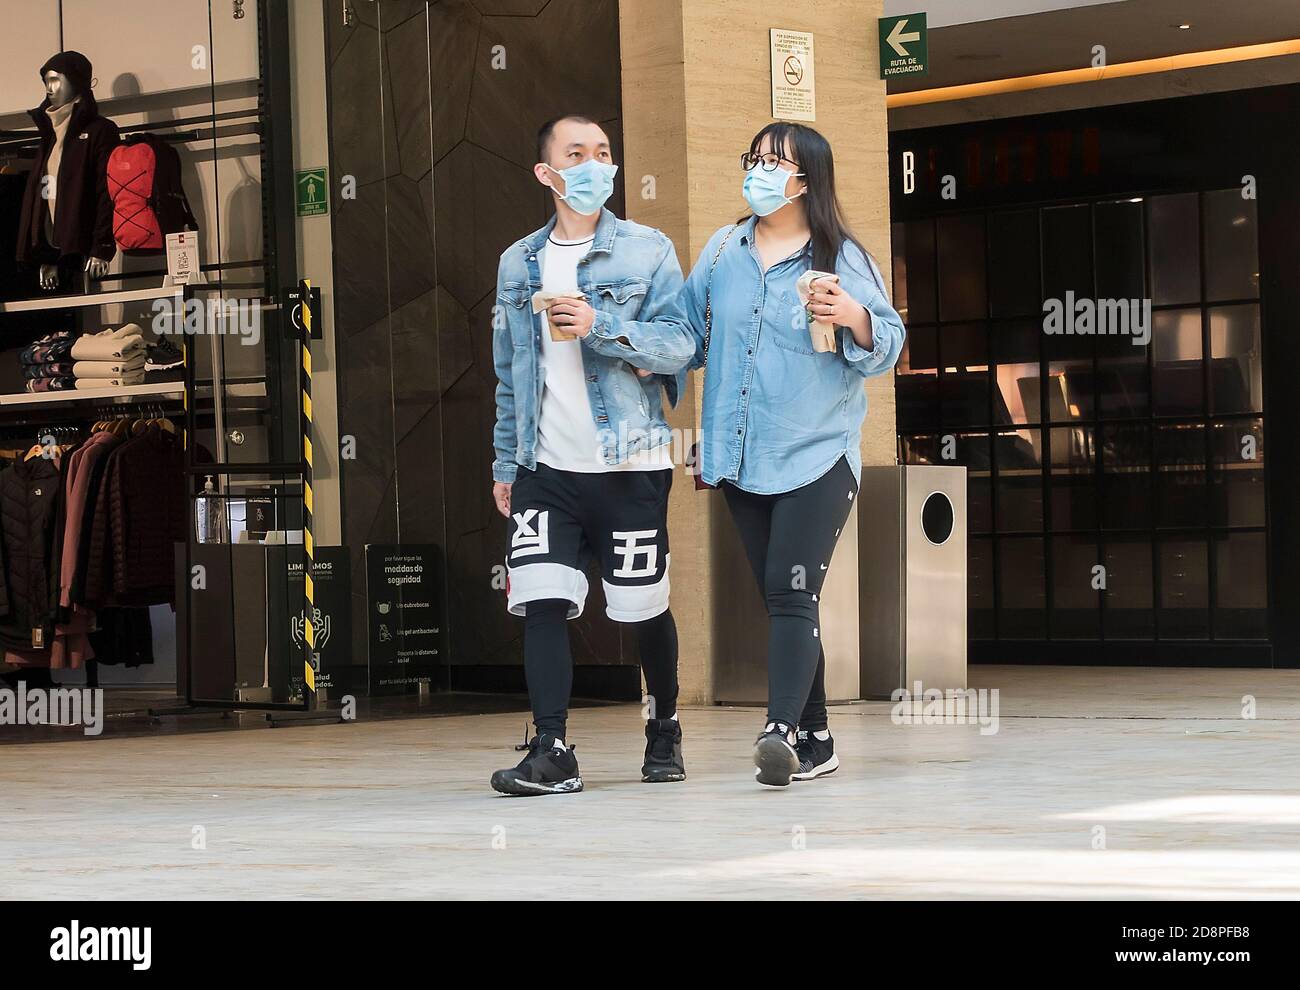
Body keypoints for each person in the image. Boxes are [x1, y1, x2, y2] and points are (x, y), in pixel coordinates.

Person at [679, 122, 906, 787]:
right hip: (741, 456)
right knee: (783, 597)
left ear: (808, 177)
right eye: (754, 158)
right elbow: (689, 333)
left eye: (775, 161)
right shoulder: (723, 250)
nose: (761, 170)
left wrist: (853, 316)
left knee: (788, 588)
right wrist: (630, 346)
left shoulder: (841, 257)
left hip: (818, 453)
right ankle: (818, 736)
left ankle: (778, 731)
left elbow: (887, 341)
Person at [488, 115, 697, 796]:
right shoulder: (517, 262)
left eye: (602, 153)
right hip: (545, 468)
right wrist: (503, 464)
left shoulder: (647, 250)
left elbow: (680, 345)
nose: (594, 164)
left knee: (640, 609)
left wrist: (600, 325)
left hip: (629, 464)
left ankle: (663, 725)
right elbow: (508, 372)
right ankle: (551, 747)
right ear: (546, 173)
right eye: (575, 154)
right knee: (541, 602)